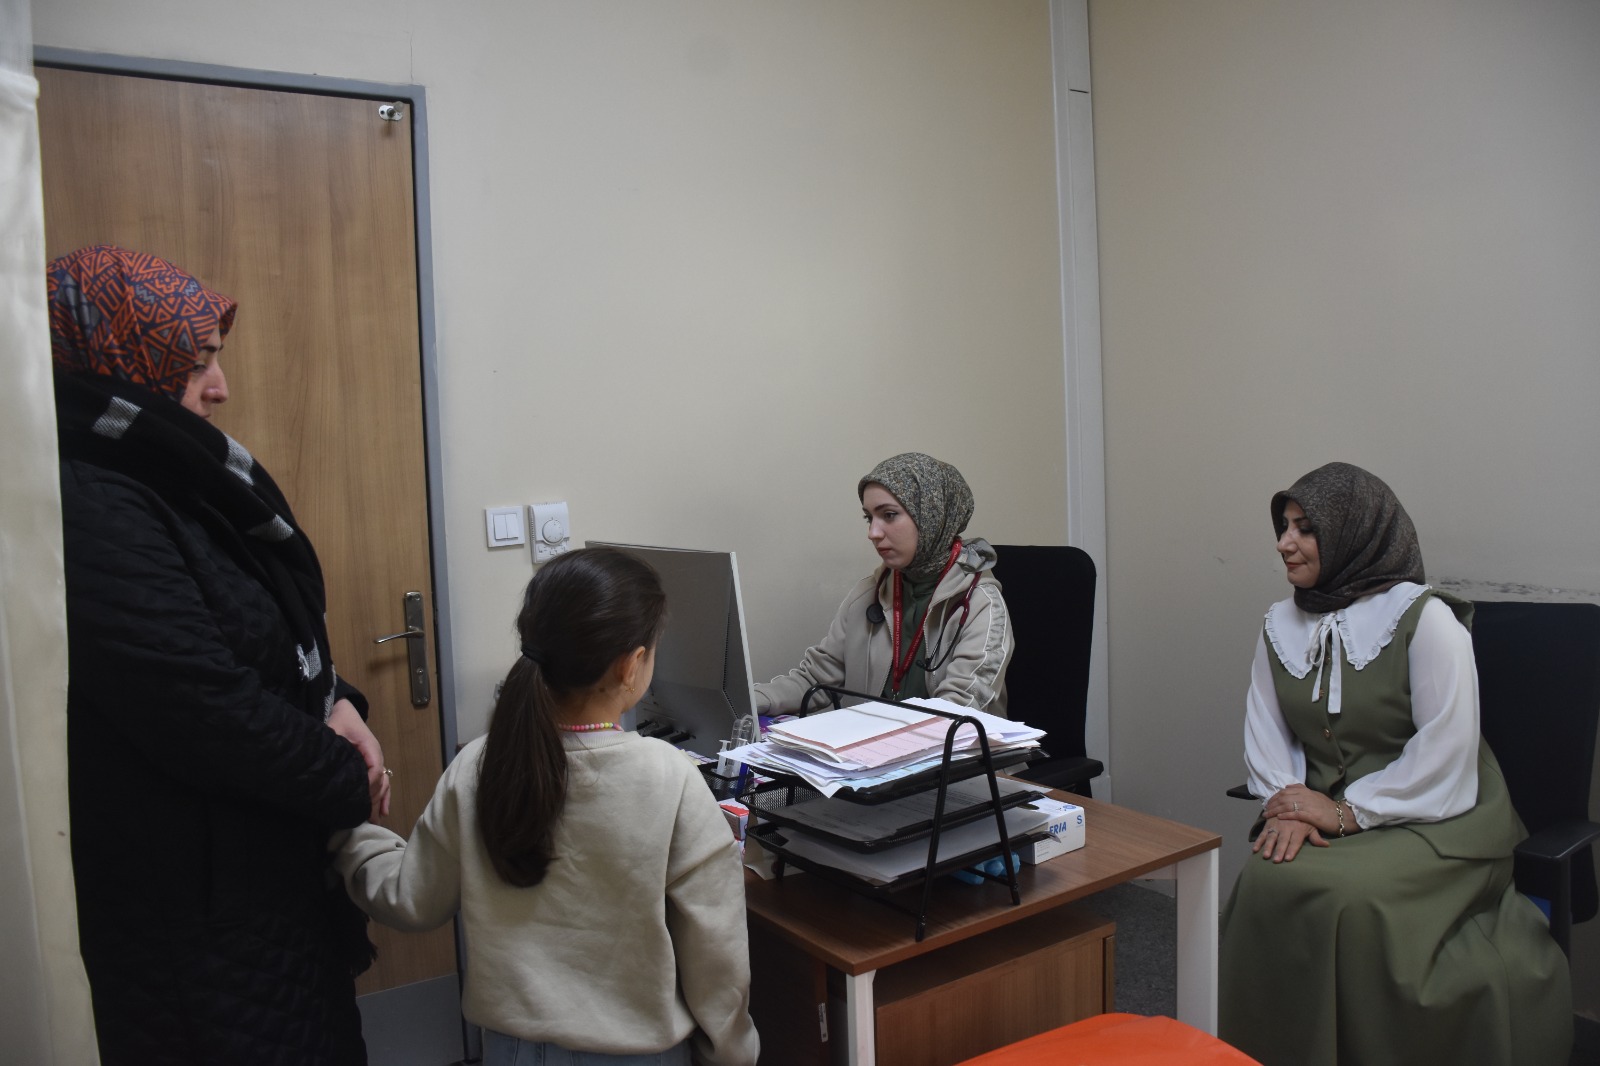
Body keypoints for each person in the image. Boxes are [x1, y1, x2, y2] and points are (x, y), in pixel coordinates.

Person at [49, 244, 391, 1065]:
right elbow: (205, 709)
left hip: (257, 897)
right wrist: (347, 775)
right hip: (198, 924)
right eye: (195, 361)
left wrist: (339, 701)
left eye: (215, 358)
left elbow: (262, 641)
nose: (220, 386)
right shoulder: (91, 504)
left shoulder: (165, 474)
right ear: (118, 358)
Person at [333, 547, 760, 1066]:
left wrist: (346, 831)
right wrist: (731, 1054)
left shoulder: (478, 764)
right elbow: (716, 955)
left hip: (511, 1052)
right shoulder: (670, 778)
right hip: (640, 1053)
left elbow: (412, 899)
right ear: (631, 665)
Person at [1218, 462, 1571, 1066]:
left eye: (1305, 528)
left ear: (1355, 533)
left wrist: (1346, 812)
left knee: (1346, 898)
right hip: (1327, 811)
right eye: (1284, 526)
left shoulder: (1425, 620)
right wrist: (1289, 805)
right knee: (1264, 881)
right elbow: (1266, 731)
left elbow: (1446, 747)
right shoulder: (1280, 624)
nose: (1284, 543)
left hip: (1439, 814)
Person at [754, 452, 1013, 716]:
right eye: (869, 518)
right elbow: (815, 679)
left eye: (889, 515)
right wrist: (748, 700)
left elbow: (958, 708)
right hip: (872, 740)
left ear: (931, 517)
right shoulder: (869, 592)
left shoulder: (981, 603)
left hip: (947, 742)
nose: (873, 533)